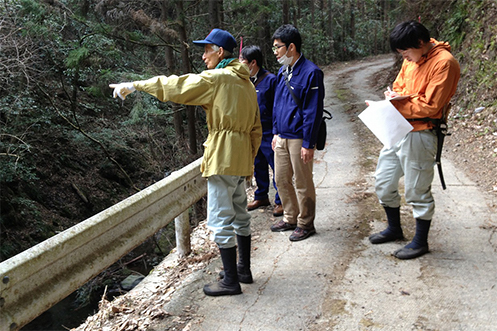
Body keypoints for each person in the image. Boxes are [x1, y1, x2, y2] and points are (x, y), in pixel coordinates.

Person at [109, 28, 262, 295]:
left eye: (206, 50)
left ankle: (230, 281)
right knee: (240, 214)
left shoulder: (217, 79)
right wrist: (248, 158)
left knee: (219, 219)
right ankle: (243, 270)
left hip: (222, 157)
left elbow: (177, 85)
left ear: (220, 52)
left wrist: (136, 85)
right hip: (241, 159)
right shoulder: (247, 83)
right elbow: (256, 129)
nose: (203, 57)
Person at [368, 21, 460, 259]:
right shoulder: (411, 60)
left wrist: (398, 103)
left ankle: (420, 242)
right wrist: (392, 96)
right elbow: (399, 86)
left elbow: (430, 106)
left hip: (422, 132)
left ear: (421, 43)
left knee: (417, 189)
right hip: (398, 128)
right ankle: (394, 228)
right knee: (383, 180)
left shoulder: (444, 63)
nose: (405, 57)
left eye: (406, 52)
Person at [269, 24, 325, 241]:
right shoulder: (283, 71)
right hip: (281, 135)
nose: (275, 52)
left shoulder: (311, 72)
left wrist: (308, 143)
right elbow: (276, 104)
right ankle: (290, 216)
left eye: (278, 47)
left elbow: (313, 111)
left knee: (302, 182)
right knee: (281, 178)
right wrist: (275, 131)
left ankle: (305, 222)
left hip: (299, 137)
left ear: (291, 47)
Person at [240, 45, 283, 217]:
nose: (240, 65)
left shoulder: (271, 80)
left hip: (268, 131)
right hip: (252, 133)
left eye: (242, 62)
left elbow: (278, 107)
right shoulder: (244, 81)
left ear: (253, 63)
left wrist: (276, 131)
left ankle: (281, 201)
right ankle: (261, 196)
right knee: (258, 166)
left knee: (276, 166)